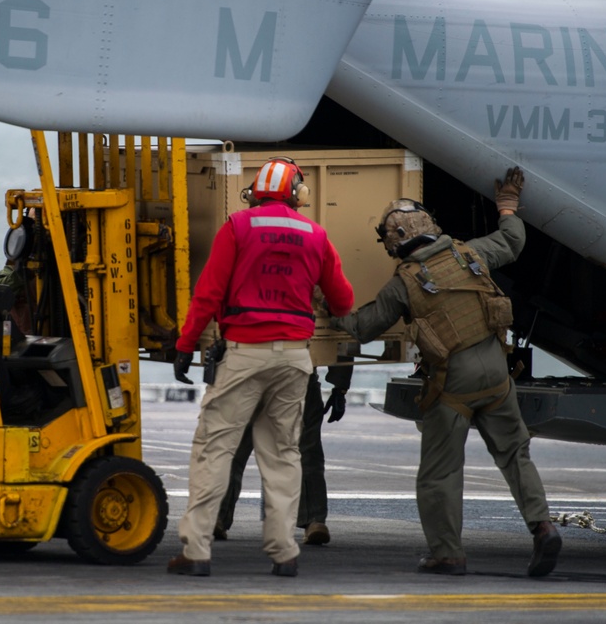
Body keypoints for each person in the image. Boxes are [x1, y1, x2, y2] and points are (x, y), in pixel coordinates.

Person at [330, 167, 562, 577]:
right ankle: (543, 527)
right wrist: (507, 205)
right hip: (496, 373)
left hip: (451, 386)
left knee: (439, 472)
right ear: (430, 226)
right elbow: (513, 241)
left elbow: (363, 326)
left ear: (393, 244)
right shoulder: (469, 253)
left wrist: (323, 306)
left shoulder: (403, 284)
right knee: (514, 454)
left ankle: (447, 553)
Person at [167, 157, 354, 577]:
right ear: (297, 194)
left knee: (215, 447)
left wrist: (186, 345)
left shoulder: (237, 227)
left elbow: (208, 293)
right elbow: (342, 301)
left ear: (256, 191)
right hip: (294, 358)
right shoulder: (316, 235)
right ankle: (284, 551)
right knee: (284, 453)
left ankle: (196, 551)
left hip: (245, 352)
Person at [213, 364, 352, 546]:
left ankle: (217, 517)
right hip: (298, 378)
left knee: (232, 451)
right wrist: (340, 387)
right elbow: (338, 339)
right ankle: (314, 521)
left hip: (248, 377)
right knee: (307, 452)